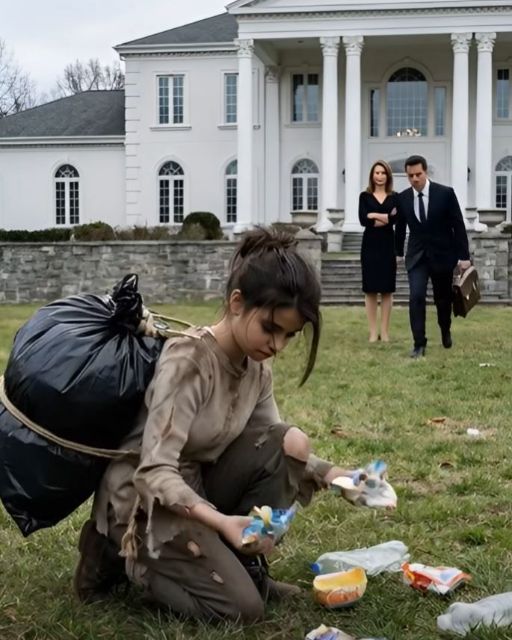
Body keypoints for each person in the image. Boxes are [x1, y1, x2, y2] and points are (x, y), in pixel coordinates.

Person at [73, 227, 355, 623]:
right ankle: (120, 555)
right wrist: (222, 522)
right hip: (144, 501)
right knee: (242, 610)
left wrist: (337, 476)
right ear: (237, 303)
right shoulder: (188, 361)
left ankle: (244, 567)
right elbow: (153, 471)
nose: (277, 345)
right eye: (270, 328)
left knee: (291, 442)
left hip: (198, 488)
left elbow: (273, 447)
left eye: (289, 335)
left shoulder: (256, 368)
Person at [395, 155, 471, 358]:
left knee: (443, 300)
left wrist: (464, 256)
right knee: (416, 297)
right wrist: (398, 253)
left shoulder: (445, 194)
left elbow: (458, 225)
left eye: (418, 174)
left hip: (442, 255)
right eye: (410, 176)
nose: (414, 179)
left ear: (425, 172)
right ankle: (419, 344)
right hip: (417, 257)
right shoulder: (403, 198)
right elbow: (400, 228)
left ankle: (445, 329)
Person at [358, 160, 399, 343]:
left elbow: (395, 220)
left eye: (383, 173)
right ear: (372, 175)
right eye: (377, 173)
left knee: (387, 290)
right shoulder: (364, 197)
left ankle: (385, 331)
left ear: (388, 176)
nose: (380, 176)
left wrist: (373, 215)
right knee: (370, 290)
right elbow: (363, 220)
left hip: (388, 245)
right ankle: (373, 332)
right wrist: (385, 217)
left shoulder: (395, 197)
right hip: (370, 245)